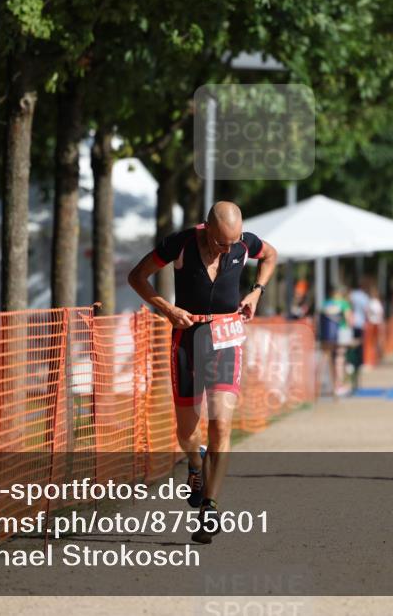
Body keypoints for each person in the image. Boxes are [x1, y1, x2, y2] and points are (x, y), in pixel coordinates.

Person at [128, 201, 277, 543]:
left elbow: (270, 255)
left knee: (221, 424)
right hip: (188, 337)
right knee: (187, 432)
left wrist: (256, 291)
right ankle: (195, 465)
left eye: (234, 243)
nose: (229, 250)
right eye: (222, 243)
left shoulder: (243, 243)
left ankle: (209, 508)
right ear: (207, 228)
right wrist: (167, 309)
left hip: (227, 337)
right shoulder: (180, 243)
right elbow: (136, 276)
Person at [320, 287, 354, 397]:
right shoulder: (344, 304)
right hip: (341, 333)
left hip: (326, 335)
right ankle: (339, 385)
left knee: (326, 358)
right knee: (340, 358)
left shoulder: (325, 303)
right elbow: (349, 320)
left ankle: (320, 384)